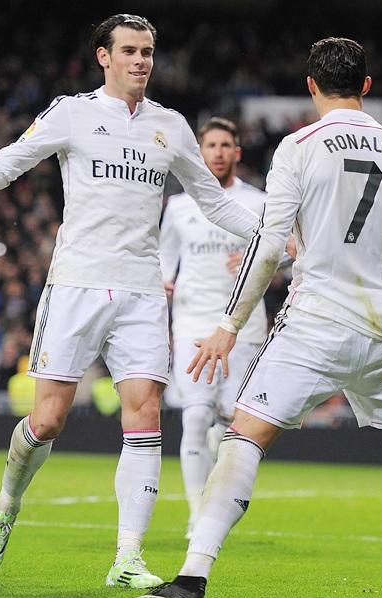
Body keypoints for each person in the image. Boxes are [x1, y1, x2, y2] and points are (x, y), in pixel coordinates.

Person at [128, 37, 382, 598]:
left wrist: (228, 324)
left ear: (311, 86)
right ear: (366, 87)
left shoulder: (297, 147)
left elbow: (269, 248)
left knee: (245, 435)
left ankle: (192, 576)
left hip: (314, 326)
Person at [0, 14, 259, 588]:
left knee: (144, 415)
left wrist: (273, 234)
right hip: (75, 286)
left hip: (143, 291)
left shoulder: (170, 126)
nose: (142, 61)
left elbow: (214, 204)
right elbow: (6, 166)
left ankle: (128, 557)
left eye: (148, 52)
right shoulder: (71, 113)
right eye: (130, 51)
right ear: (104, 56)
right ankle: (6, 502)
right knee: (47, 421)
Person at [159, 117, 268, 539]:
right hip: (192, 323)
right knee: (194, 416)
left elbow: (292, 253)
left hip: (244, 325)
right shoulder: (180, 205)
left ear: (237, 152)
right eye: (211, 145)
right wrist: (163, 283)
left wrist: (261, 262)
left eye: (226, 145)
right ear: (200, 153)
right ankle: (196, 514)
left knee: (230, 424)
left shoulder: (258, 203)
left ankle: (215, 471)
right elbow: (165, 258)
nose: (219, 152)